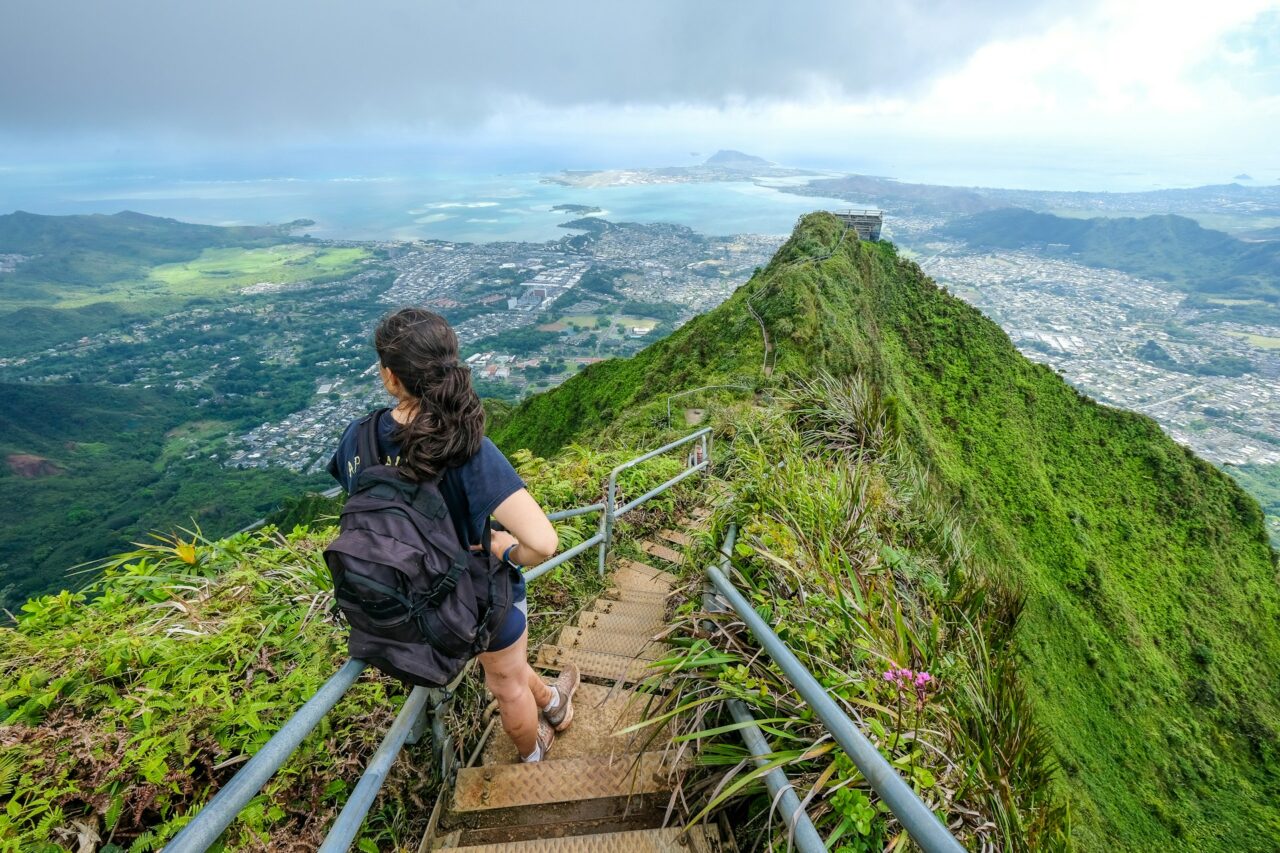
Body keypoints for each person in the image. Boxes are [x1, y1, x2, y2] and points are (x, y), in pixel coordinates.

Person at [327, 307, 579, 763]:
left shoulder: (357, 439)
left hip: (415, 607)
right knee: (508, 686)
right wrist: (504, 548)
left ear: (390, 377)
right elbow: (543, 543)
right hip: (479, 600)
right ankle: (533, 754)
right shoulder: (466, 446)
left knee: (510, 672)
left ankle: (555, 704)